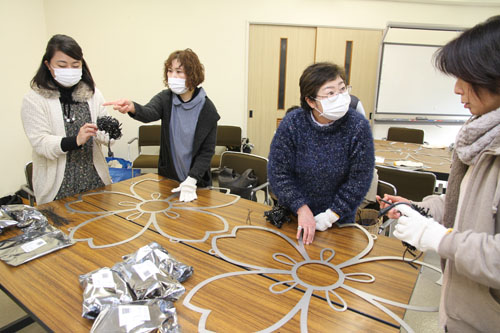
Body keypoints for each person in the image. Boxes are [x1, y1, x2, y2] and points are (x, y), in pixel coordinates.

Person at [378, 16, 500, 332]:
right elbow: (470, 208)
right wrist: (423, 209)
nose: (457, 88)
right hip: (462, 309)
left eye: (464, 77)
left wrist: (437, 237)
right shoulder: (482, 135)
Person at [268, 62, 375, 245]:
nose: (340, 97)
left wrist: (332, 214)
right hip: (296, 218)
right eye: (331, 93)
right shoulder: (293, 124)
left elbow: (360, 178)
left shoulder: (358, 126)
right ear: (310, 101)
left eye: (342, 89)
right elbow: (278, 172)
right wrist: (301, 208)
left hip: (339, 221)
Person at [104, 49, 220, 202]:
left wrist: (192, 180)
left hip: (197, 183)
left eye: (179, 72)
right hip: (169, 179)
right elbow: (148, 112)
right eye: (170, 71)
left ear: (193, 74)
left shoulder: (207, 109)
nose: (173, 77)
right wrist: (132, 107)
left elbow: (207, 152)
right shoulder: (166, 99)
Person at [21, 34, 111, 205]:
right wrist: (75, 140)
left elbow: (103, 131)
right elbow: (41, 143)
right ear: (48, 65)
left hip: (95, 182)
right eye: (62, 65)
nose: (69, 69)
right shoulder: (34, 99)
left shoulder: (92, 94)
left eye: (75, 65)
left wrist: (110, 132)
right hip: (57, 190)